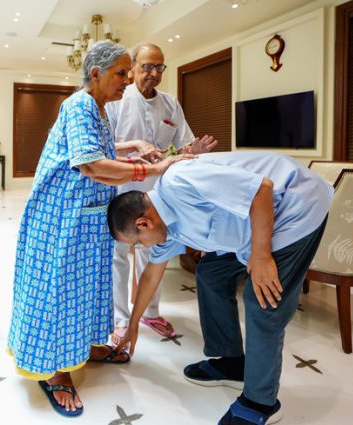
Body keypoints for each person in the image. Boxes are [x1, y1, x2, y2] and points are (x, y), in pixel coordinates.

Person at [6, 40, 194, 418]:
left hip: (86, 216)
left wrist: (133, 147)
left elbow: (100, 148)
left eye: (128, 72)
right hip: (60, 219)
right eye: (121, 73)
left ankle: (85, 348)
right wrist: (152, 169)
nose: (127, 80)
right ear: (95, 74)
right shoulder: (78, 105)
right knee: (62, 291)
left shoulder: (100, 109)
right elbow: (91, 163)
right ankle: (56, 371)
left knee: (88, 287)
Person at [108, 152, 333, 425]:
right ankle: (232, 362)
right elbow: (150, 275)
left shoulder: (179, 182)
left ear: (144, 223)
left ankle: (260, 402)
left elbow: (262, 190)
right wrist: (132, 325)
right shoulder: (166, 231)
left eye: (137, 242)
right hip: (252, 226)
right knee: (211, 272)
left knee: (260, 300)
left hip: (296, 206)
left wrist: (261, 257)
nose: (139, 248)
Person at [105, 42, 218, 343]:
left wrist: (192, 150)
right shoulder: (117, 100)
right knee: (117, 255)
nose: (153, 73)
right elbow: (101, 147)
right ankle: (119, 319)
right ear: (132, 68)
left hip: (157, 193)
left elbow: (180, 145)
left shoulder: (170, 104)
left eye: (159, 67)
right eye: (147, 66)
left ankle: (150, 313)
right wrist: (133, 149)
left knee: (153, 253)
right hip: (120, 188)